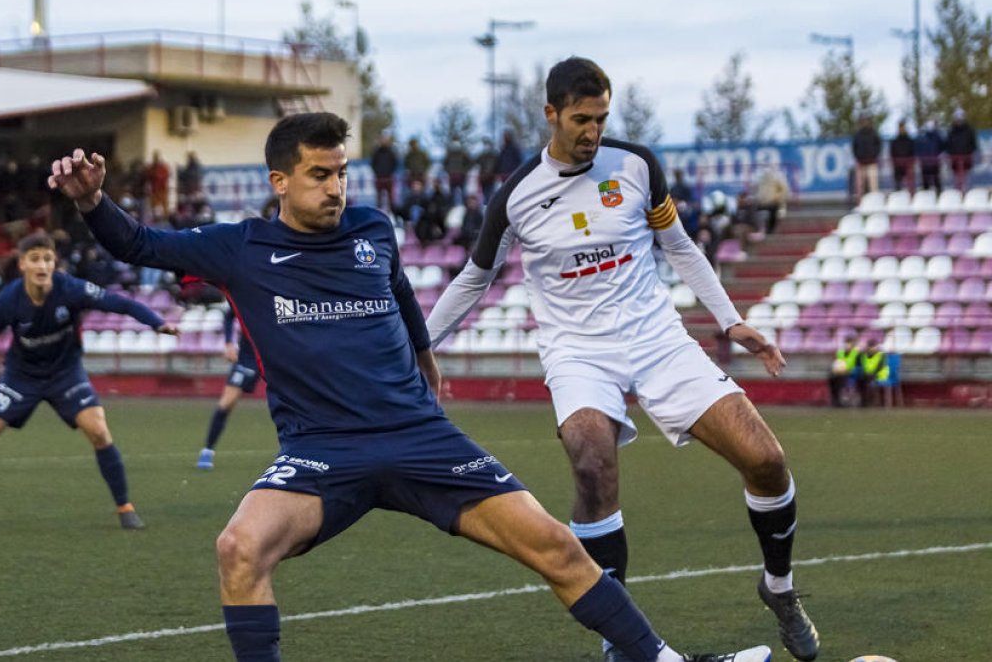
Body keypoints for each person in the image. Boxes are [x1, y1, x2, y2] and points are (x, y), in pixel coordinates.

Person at [48, 113, 771, 662]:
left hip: (420, 438)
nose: (336, 188)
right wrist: (91, 203)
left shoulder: (373, 228)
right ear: (279, 182)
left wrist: (425, 355)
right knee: (239, 547)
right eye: (319, 175)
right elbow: (137, 245)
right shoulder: (240, 249)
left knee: (557, 545)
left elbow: (396, 290)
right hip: (323, 452)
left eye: (341, 174)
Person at [425, 58, 819, 662]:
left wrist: (731, 320)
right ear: (551, 113)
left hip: (657, 338)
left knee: (766, 459)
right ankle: (622, 641)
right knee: (590, 460)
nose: (593, 131)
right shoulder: (517, 196)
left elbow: (679, 245)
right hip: (577, 351)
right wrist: (419, 347)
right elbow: (474, 280)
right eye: (582, 119)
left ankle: (780, 589)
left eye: (602, 117)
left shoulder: (636, 166)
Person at [0, 233, 179, 530]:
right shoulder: (8, 300)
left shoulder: (71, 289)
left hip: (65, 373)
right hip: (21, 376)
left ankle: (125, 508)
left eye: (48, 259)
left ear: (55, 263)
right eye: (35, 259)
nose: (42, 265)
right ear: (22, 264)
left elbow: (119, 304)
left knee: (99, 430)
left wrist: (156, 322)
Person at [198, 306, 261, 471]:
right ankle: (208, 451)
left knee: (289, 401)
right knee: (226, 403)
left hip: (277, 354)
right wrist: (228, 343)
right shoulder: (245, 289)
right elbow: (229, 315)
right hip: (248, 357)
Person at [945, 108, 977, 193]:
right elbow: (948, 146)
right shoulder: (951, 131)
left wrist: (968, 153)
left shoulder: (970, 130)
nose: (959, 120)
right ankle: (957, 195)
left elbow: (973, 145)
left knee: (968, 182)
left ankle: (968, 195)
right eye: (957, 118)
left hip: (967, 162)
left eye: (960, 117)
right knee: (956, 183)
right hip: (955, 162)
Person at [851, 114, 881, 199]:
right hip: (861, 163)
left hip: (872, 162)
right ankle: (861, 202)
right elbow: (854, 148)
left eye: (866, 121)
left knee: (873, 184)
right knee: (860, 185)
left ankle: (875, 201)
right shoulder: (858, 135)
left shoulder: (873, 133)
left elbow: (878, 145)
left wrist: (874, 155)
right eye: (863, 121)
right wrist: (859, 156)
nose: (864, 123)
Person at [369, 132, 400, 211]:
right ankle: (379, 212)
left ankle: (392, 213)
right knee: (379, 199)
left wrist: (390, 172)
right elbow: (373, 163)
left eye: (385, 139)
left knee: (391, 199)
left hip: (389, 178)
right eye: (382, 139)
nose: (384, 141)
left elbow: (395, 163)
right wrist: (377, 172)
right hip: (379, 178)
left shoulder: (391, 152)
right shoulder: (376, 152)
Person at [827, 336, 861, 408]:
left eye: (850, 343)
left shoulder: (857, 353)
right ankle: (835, 400)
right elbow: (836, 363)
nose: (848, 345)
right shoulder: (840, 352)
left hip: (851, 374)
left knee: (842, 380)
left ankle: (844, 400)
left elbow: (859, 367)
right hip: (839, 373)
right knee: (832, 378)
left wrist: (849, 371)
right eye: (847, 343)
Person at [915, 120, 945, 194]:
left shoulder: (937, 137)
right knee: (925, 182)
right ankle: (926, 196)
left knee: (936, 180)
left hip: (935, 163)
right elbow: (918, 149)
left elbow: (942, 146)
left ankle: (939, 194)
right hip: (925, 163)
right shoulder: (922, 138)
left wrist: (938, 155)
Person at [857, 338, 887, 408]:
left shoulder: (881, 355)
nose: (871, 348)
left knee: (867, 379)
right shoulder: (863, 355)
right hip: (868, 375)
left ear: (876, 347)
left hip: (880, 375)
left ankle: (868, 401)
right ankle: (864, 401)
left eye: (873, 346)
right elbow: (860, 364)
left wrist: (871, 373)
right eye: (870, 346)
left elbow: (880, 367)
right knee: (861, 379)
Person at [889, 120, 916, 192]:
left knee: (910, 182)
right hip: (898, 165)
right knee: (898, 183)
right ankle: (898, 194)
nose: (902, 129)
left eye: (903, 127)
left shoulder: (910, 140)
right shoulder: (894, 141)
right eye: (901, 127)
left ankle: (911, 194)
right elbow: (892, 152)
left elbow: (912, 151)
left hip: (908, 165)